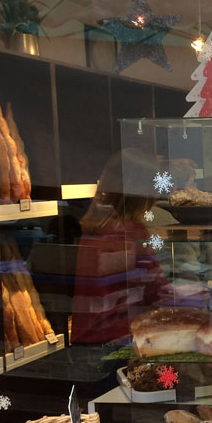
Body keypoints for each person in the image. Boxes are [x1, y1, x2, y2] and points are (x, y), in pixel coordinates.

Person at [73, 148, 169, 345]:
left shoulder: (94, 227)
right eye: (153, 185)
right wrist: (196, 297)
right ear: (139, 192)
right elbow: (157, 290)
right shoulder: (130, 232)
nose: (158, 192)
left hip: (89, 339)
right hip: (118, 340)